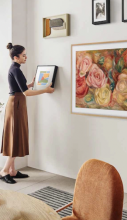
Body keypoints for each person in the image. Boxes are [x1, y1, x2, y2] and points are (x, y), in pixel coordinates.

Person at [0, 43, 54, 184]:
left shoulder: (16, 68)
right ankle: (5, 171)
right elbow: (26, 93)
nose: (26, 57)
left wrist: (30, 83)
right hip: (16, 103)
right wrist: (45, 90)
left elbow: (22, 87)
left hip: (16, 103)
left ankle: (12, 170)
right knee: (15, 136)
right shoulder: (16, 70)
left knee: (15, 136)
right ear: (16, 57)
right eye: (23, 55)